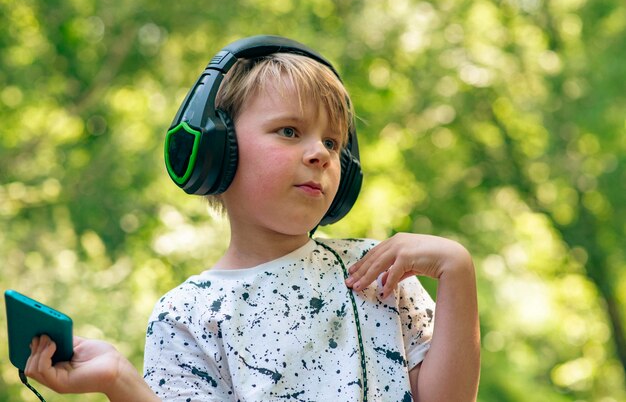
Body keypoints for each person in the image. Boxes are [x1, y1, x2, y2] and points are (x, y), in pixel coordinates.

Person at [24, 36, 480, 401]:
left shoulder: (378, 272)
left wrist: (456, 270)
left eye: (334, 143)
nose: (320, 153)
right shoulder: (189, 315)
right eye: (289, 131)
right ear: (217, 150)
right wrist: (119, 381)